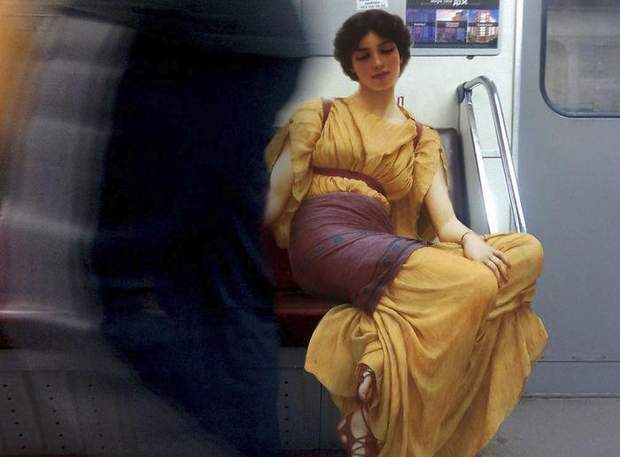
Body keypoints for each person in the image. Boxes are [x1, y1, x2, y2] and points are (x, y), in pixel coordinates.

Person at [264, 9, 547, 457]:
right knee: (474, 284)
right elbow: (274, 199)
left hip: (382, 242)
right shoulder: (320, 114)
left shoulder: (420, 138)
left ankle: (375, 359)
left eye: (386, 50)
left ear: (401, 54)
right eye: (363, 55)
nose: (377, 62)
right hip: (325, 238)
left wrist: (470, 240)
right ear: (350, 64)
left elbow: (446, 222)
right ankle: (402, 434)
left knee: (525, 252)